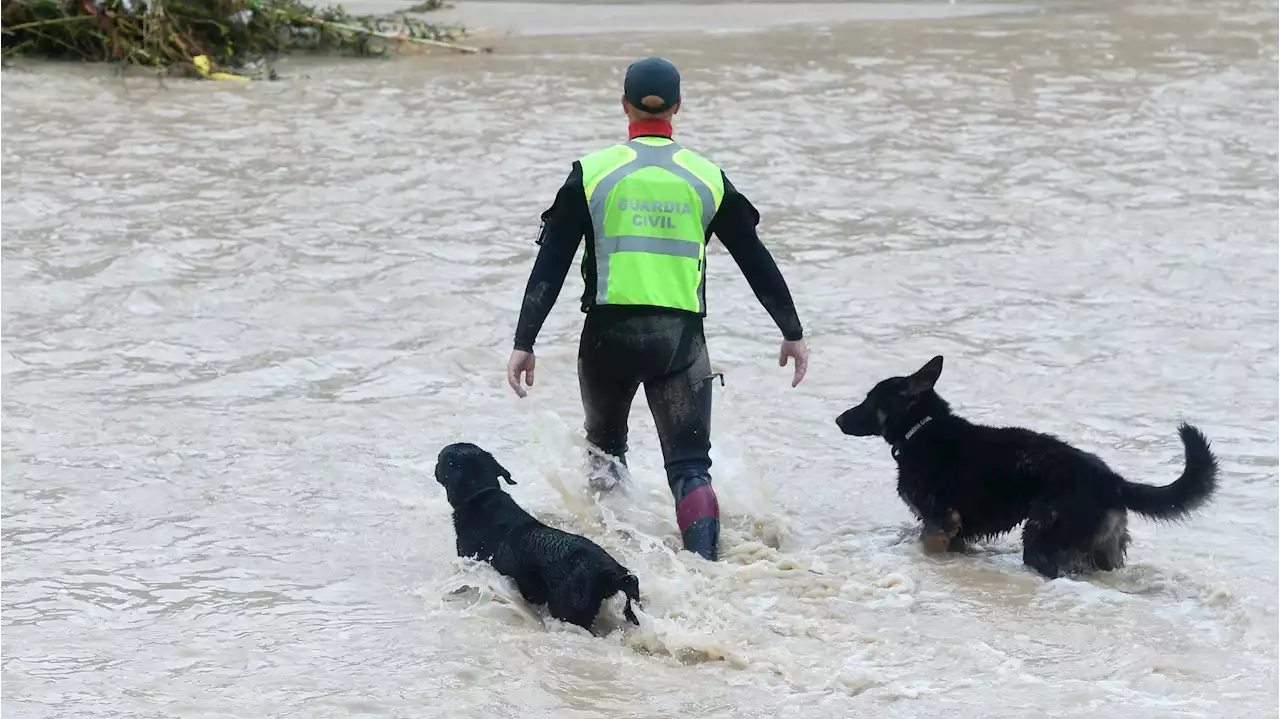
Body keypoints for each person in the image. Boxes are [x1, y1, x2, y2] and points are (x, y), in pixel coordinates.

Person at [505, 56, 809, 562]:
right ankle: (706, 579)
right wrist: (791, 331)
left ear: (624, 104)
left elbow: (550, 264)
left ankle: (617, 564)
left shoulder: (593, 173)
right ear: (678, 107)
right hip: (680, 341)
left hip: (606, 336)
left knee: (605, 453)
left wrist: (524, 342)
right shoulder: (706, 178)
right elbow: (755, 258)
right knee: (691, 466)